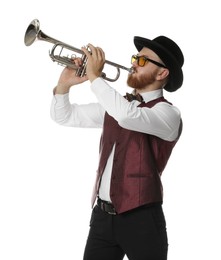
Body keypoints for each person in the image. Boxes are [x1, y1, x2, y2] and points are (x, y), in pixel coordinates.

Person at [50, 35, 184, 260]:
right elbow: (64, 116)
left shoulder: (168, 114)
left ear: (162, 73)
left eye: (142, 61)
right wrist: (63, 85)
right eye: (135, 58)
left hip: (142, 219)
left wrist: (94, 76)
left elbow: (127, 116)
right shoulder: (117, 105)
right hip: (102, 217)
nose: (133, 63)